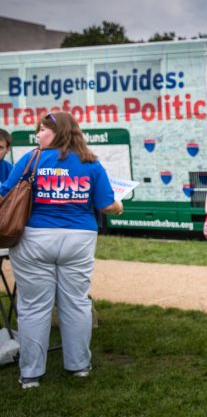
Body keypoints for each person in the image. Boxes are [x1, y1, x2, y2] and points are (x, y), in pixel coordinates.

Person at [0, 112, 123, 389]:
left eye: (42, 130)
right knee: (76, 302)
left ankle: (30, 375)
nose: (38, 135)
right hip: (78, 239)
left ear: (59, 132)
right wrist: (120, 206)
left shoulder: (31, 159)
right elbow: (107, 204)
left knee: (33, 307)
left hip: (35, 238)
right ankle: (79, 366)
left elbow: (5, 194)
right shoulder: (91, 163)